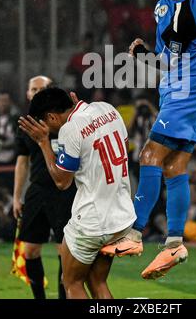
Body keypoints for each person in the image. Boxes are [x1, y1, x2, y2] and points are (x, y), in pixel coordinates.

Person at [102, 0, 196, 280]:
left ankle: (133, 234)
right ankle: (175, 243)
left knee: (149, 155)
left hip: (187, 87)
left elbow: (170, 63)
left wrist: (145, 57)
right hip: (184, 85)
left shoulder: (186, 13)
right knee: (174, 165)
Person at [18, 87, 136, 299]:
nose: (48, 128)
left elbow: (62, 182)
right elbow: (123, 148)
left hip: (92, 221)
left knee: (71, 282)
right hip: (121, 216)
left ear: (52, 116)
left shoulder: (69, 130)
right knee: (97, 281)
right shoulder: (107, 109)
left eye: (46, 122)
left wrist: (44, 143)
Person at [13, 76, 76, 300]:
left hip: (65, 190)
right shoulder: (24, 126)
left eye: (43, 88)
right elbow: (22, 161)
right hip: (37, 190)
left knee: (64, 253)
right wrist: (16, 196)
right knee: (29, 250)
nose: (38, 91)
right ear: (28, 94)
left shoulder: (64, 122)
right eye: (34, 88)